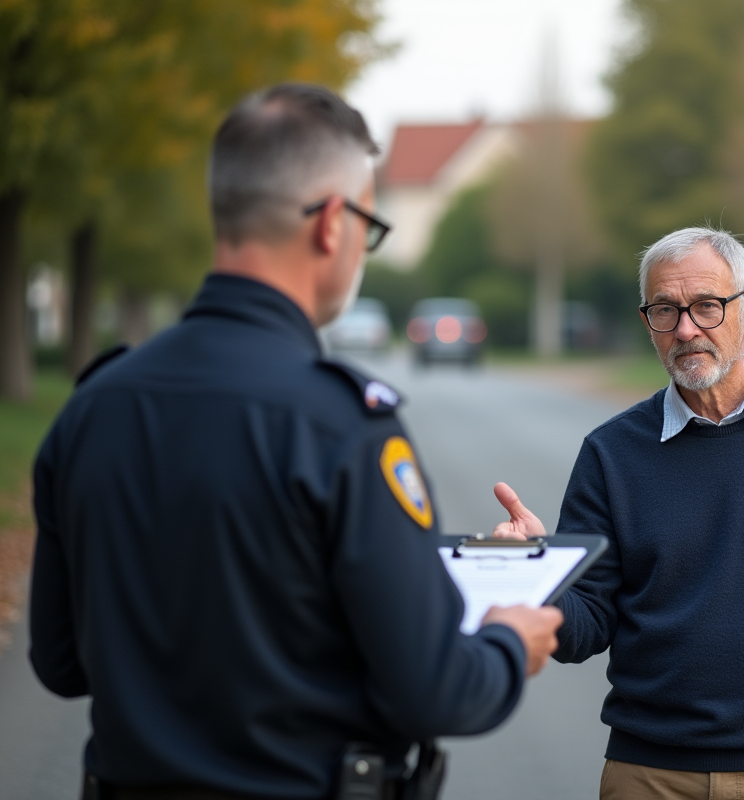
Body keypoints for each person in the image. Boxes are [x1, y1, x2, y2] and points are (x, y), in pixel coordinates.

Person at [28, 83, 562, 799]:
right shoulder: (343, 424)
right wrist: (505, 639)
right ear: (332, 224)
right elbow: (435, 693)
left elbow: (61, 663)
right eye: (371, 226)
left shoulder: (92, 408)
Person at [493, 227, 744, 800]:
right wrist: (536, 572)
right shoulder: (610, 454)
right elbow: (583, 630)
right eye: (666, 310)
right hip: (649, 776)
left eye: (707, 306)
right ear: (648, 324)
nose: (686, 329)